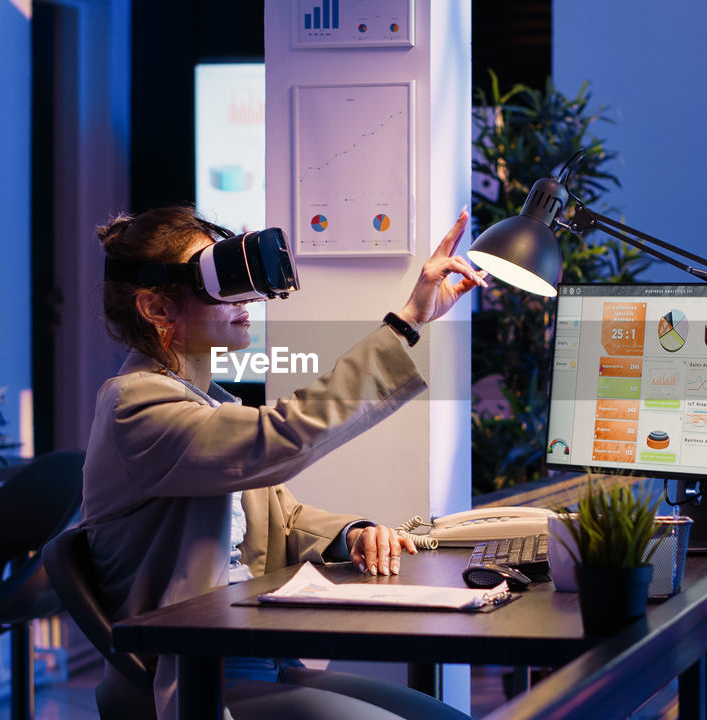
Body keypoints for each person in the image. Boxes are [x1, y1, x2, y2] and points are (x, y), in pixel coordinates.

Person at [81, 203, 486, 720]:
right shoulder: (134, 408)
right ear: (157, 310)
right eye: (219, 281)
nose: (246, 297)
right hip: (206, 678)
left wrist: (353, 534)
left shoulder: (210, 403)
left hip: (261, 655)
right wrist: (405, 322)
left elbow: (280, 518)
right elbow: (285, 436)